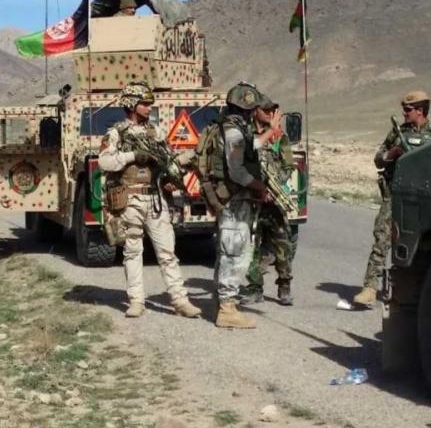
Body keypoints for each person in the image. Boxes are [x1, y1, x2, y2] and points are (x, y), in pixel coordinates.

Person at [98, 82, 202, 319]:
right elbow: (105, 162)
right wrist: (133, 156)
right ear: (131, 105)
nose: (148, 107)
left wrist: (171, 178)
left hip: (155, 199)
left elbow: (168, 160)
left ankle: (180, 300)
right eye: (144, 104)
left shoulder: (156, 133)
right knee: (133, 251)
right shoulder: (116, 133)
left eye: (148, 103)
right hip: (130, 199)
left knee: (167, 252)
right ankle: (136, 301)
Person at [353, 90, 431, 308]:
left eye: (408, 110)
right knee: (382, 237)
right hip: (395, 195)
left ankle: (415, 291)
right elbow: (378, 160)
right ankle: (370, 288)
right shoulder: (397, 133)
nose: (404, 113)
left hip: (422, 198)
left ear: (420, 111)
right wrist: (393, 154)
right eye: (404, 109)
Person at [212, 82, 283, 329]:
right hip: (234, 201)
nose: (255, 111)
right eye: (253, 107)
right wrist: (260, 187)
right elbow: (237, 171)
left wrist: (269, 132)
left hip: (236, 200)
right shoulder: (232, 132)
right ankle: (227, 309)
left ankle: (223, 302)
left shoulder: (234, 129)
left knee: (230, 249)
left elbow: (249, 147)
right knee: (233, 250)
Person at [240, 97, 297, 306]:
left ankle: (284, 285)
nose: (270, 114)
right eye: (266, 110)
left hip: (273, 200)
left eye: (273, 110)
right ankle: (255, 287)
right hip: (253, 199)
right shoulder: (247, 135)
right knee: (252, 245)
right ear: (256, 111)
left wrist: (276, 185)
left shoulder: (279, 137)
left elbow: (288, 165)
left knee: (282, 244)